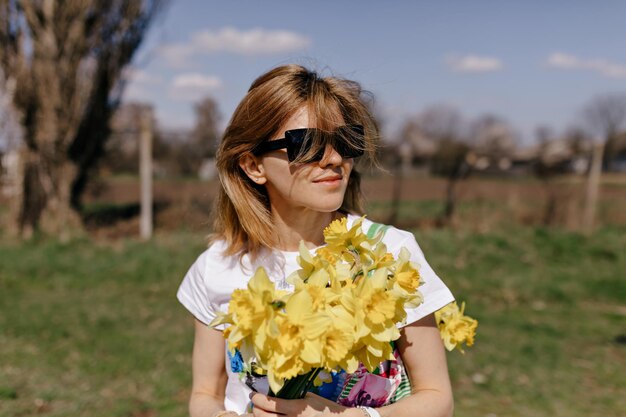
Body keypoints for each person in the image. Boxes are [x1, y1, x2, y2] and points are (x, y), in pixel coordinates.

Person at [177, 64, 455, 417]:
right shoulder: (218, 266)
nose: (336, 158)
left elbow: (438, 399)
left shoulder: (388, 255)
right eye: (307, 144)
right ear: (253, 166)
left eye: (346, 140)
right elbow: (205, 393)